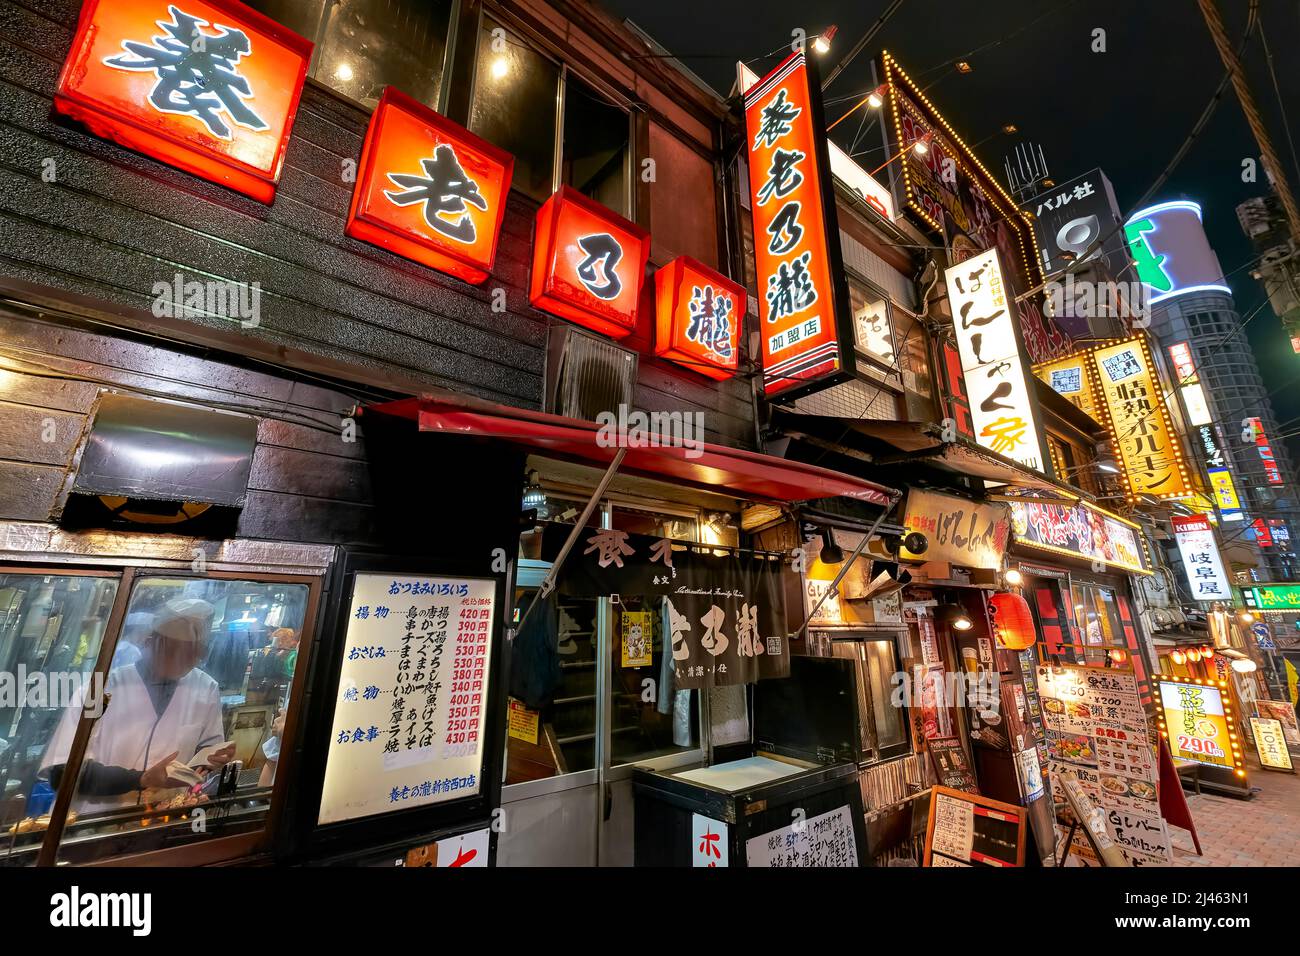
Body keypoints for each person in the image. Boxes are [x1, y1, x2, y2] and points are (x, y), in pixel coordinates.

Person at [41, 597, 235, 813]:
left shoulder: (205, 688)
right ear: (150, 643)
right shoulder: (101, 689)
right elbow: (61, 773)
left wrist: (211, 759)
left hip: (159, 821)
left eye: (193, 654)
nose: (184, 660)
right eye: (174, 651)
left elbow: (204, 751)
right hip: (91, 823)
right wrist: (141, 779)